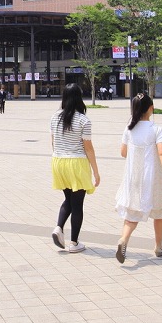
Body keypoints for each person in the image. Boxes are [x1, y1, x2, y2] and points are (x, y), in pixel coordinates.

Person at [114, 92, 162, 264]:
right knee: (159, 211)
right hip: (152, 178)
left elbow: (123, 152)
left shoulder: (129, 129)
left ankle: (123, 240)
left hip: (133, 178)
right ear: (151, 108)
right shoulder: (156, 129)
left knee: (132, 213)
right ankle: (158, 246)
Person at [50, 84, 100, 254]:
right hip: (76, 163)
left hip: (58, 161)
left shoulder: (54, 117)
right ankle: (74, 243)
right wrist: (96, 171)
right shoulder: (83, 120)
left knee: (68, 200)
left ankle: (58, 227)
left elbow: (53, 143)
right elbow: (89, 149)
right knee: (77, 204)